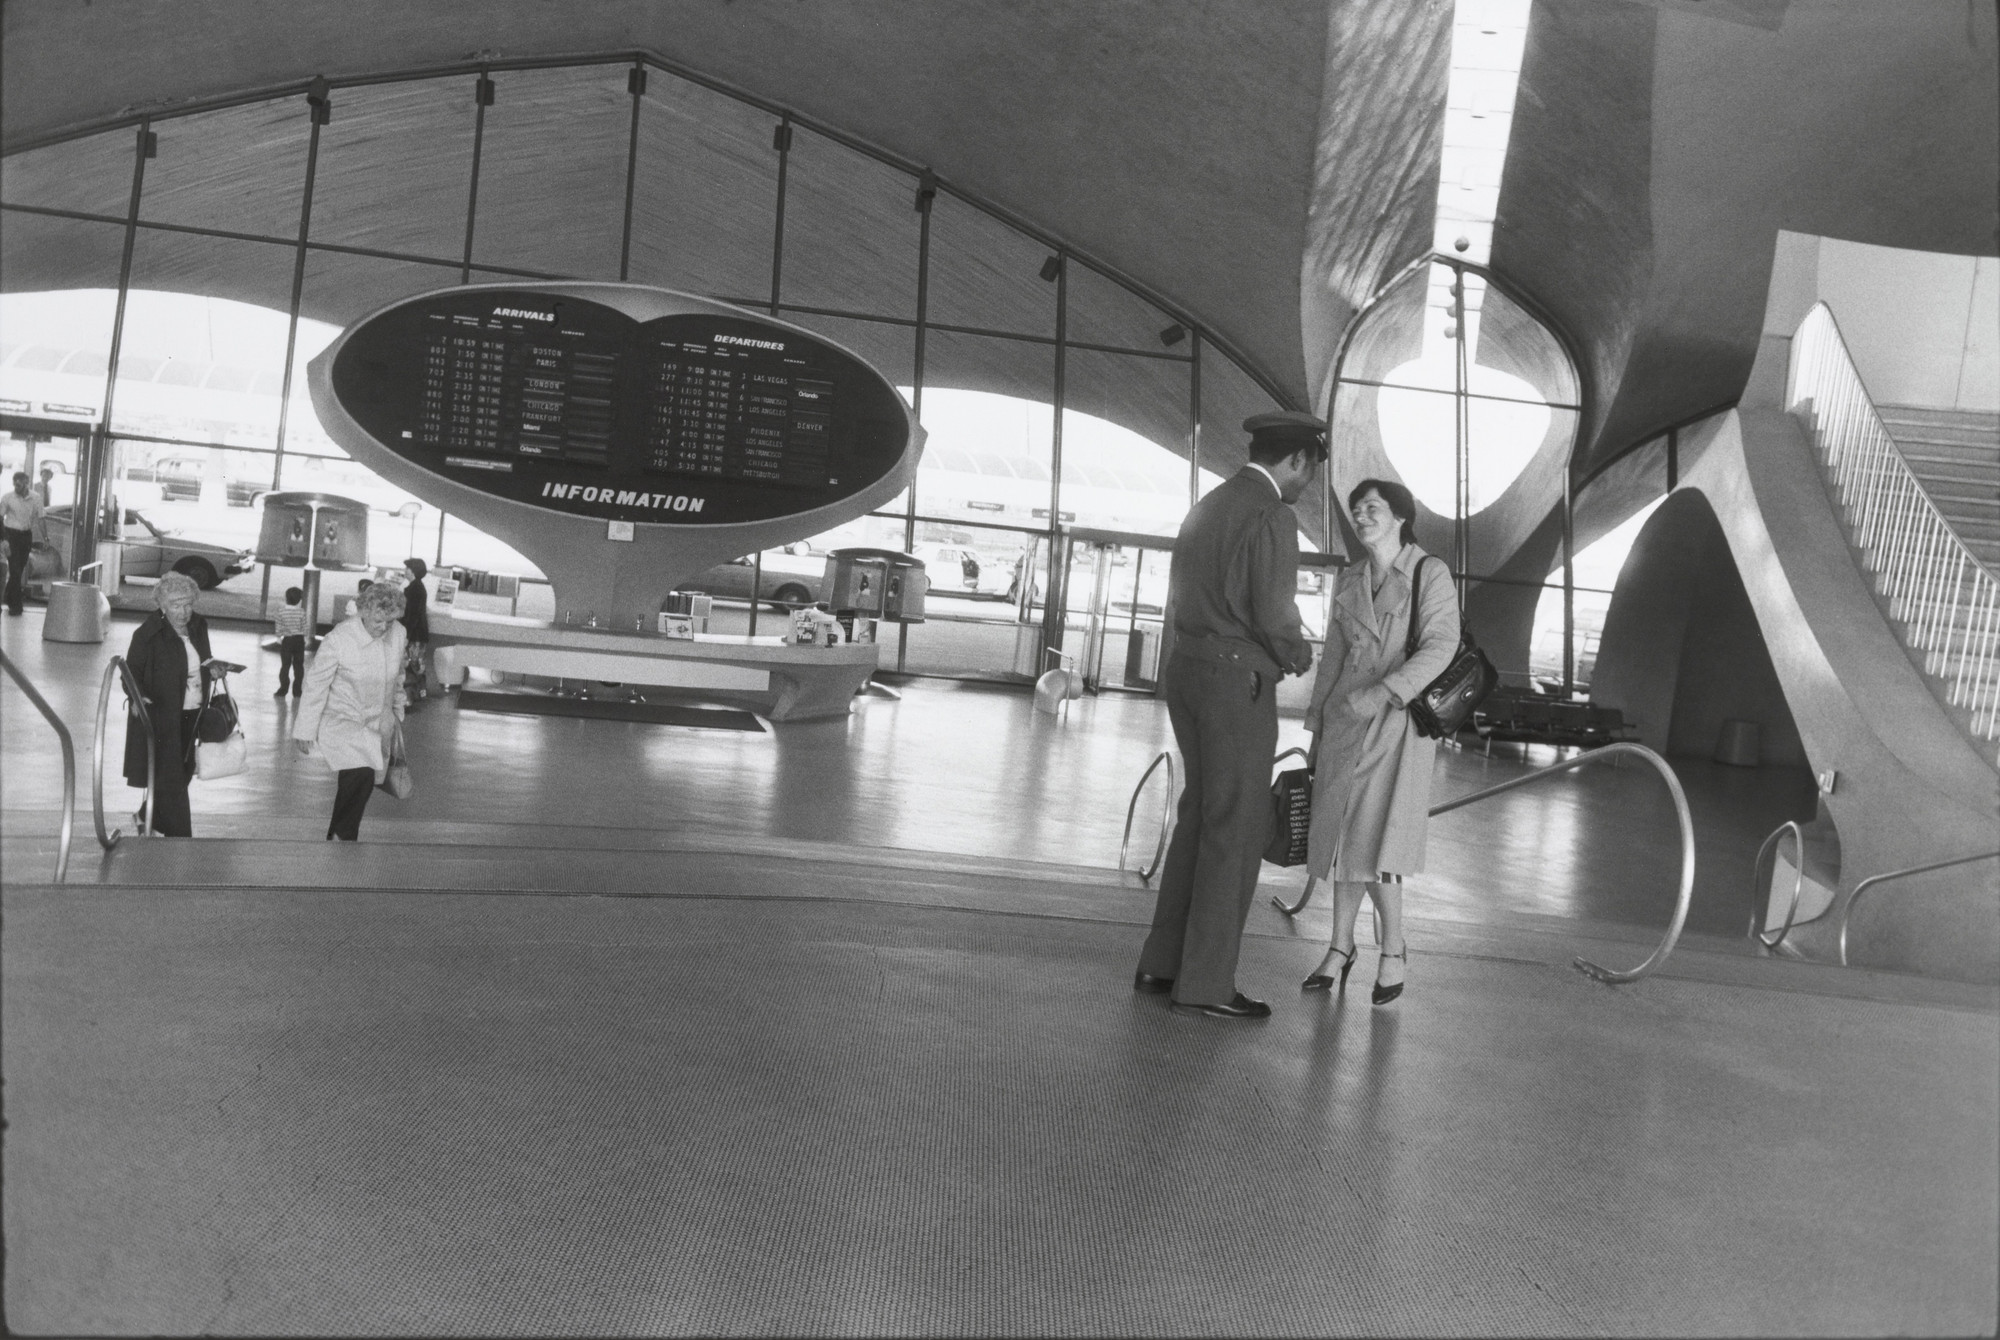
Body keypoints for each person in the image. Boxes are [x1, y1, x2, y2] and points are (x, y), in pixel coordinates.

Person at [1134, 411, 1324, 1020]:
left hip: (1187, 671)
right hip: (1235, 683)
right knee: (1236, 826)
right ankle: (1208, 984)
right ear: (1297, 460)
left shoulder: (1209, 504)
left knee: (1199, 816)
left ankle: (1162, 963)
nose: (1307, 485)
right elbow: (1274, 609)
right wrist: (1298, 653)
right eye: (1309, 472)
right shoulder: (1271, 514)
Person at [1299, 479, 1460, 1007]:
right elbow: (1332, 658)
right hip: (1346, 719)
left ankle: (1393, 948)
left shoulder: (1428, 572)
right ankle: (1340, 946)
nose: (1361, 516)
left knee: (1376, 839)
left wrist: (1383, 693)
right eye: (1356, 509)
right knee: (1343, 835)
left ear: (1400, 517)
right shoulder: (1351, 578)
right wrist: (1318, 726)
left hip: (1397, 724)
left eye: (1373, 508)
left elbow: (1441, 645)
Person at [294, 581, 407, 841]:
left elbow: (398, 675)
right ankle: (343, 837)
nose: (384, 628)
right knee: (359, 772)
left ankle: (339, 835)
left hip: (378, 719)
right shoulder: (339, 639)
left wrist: (397, 711)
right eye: (378, 621)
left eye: (390, 621)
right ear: (363, 612)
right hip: (341, 718)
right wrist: (304, 729)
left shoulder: (399, 633)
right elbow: (316, 684)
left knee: (362, 782)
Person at [122, 571, 214, 837]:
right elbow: (129, 672)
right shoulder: (148, 634)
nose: (184, 612)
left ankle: (146, 815)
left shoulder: (198, 626)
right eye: (175, 605)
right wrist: (137, 696)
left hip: (193, 710)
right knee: (172, 777)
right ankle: (180, 838)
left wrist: (214, 669)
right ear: (162, 605)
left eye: (188, 604)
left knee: (182, 771)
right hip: (162, 714)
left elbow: (204, 660)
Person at [3, 471, 44, 615]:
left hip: (25, 536)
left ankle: (7, 595)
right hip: (11, 535)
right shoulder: (8, 497)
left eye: (19, 485)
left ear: (26, 484)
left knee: (19, 570)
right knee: (14, 569)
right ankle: (16, 605)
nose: (16, 487)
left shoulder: (36, 498)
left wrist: (45, 538)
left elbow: (41, 519)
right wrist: (4, 539)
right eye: (15, 484)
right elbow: (0, 519)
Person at [273, 586, 308, 698]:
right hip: (299, 640)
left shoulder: (281, 612)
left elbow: (279, 626)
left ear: (286, 598)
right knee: (299, 666)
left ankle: (283, 689)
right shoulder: (301, 612)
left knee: (285, 665)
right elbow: (304, 627)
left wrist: (278, 637)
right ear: (299, 600)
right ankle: (297, 691)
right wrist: (305, 638)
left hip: (287, 641)